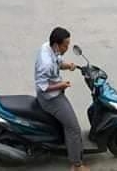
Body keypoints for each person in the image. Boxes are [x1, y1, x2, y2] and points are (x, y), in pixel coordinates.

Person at [34, 27, 87, 171]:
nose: (68, 48)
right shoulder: (46, 63)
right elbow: (43, 86)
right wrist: (60, 85)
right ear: (57, 45)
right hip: (50, 99)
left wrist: (67, 65)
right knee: (74, 128)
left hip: (55, 92)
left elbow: (57, 62)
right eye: (66, 45)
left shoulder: (49, 47)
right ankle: (77, 165)